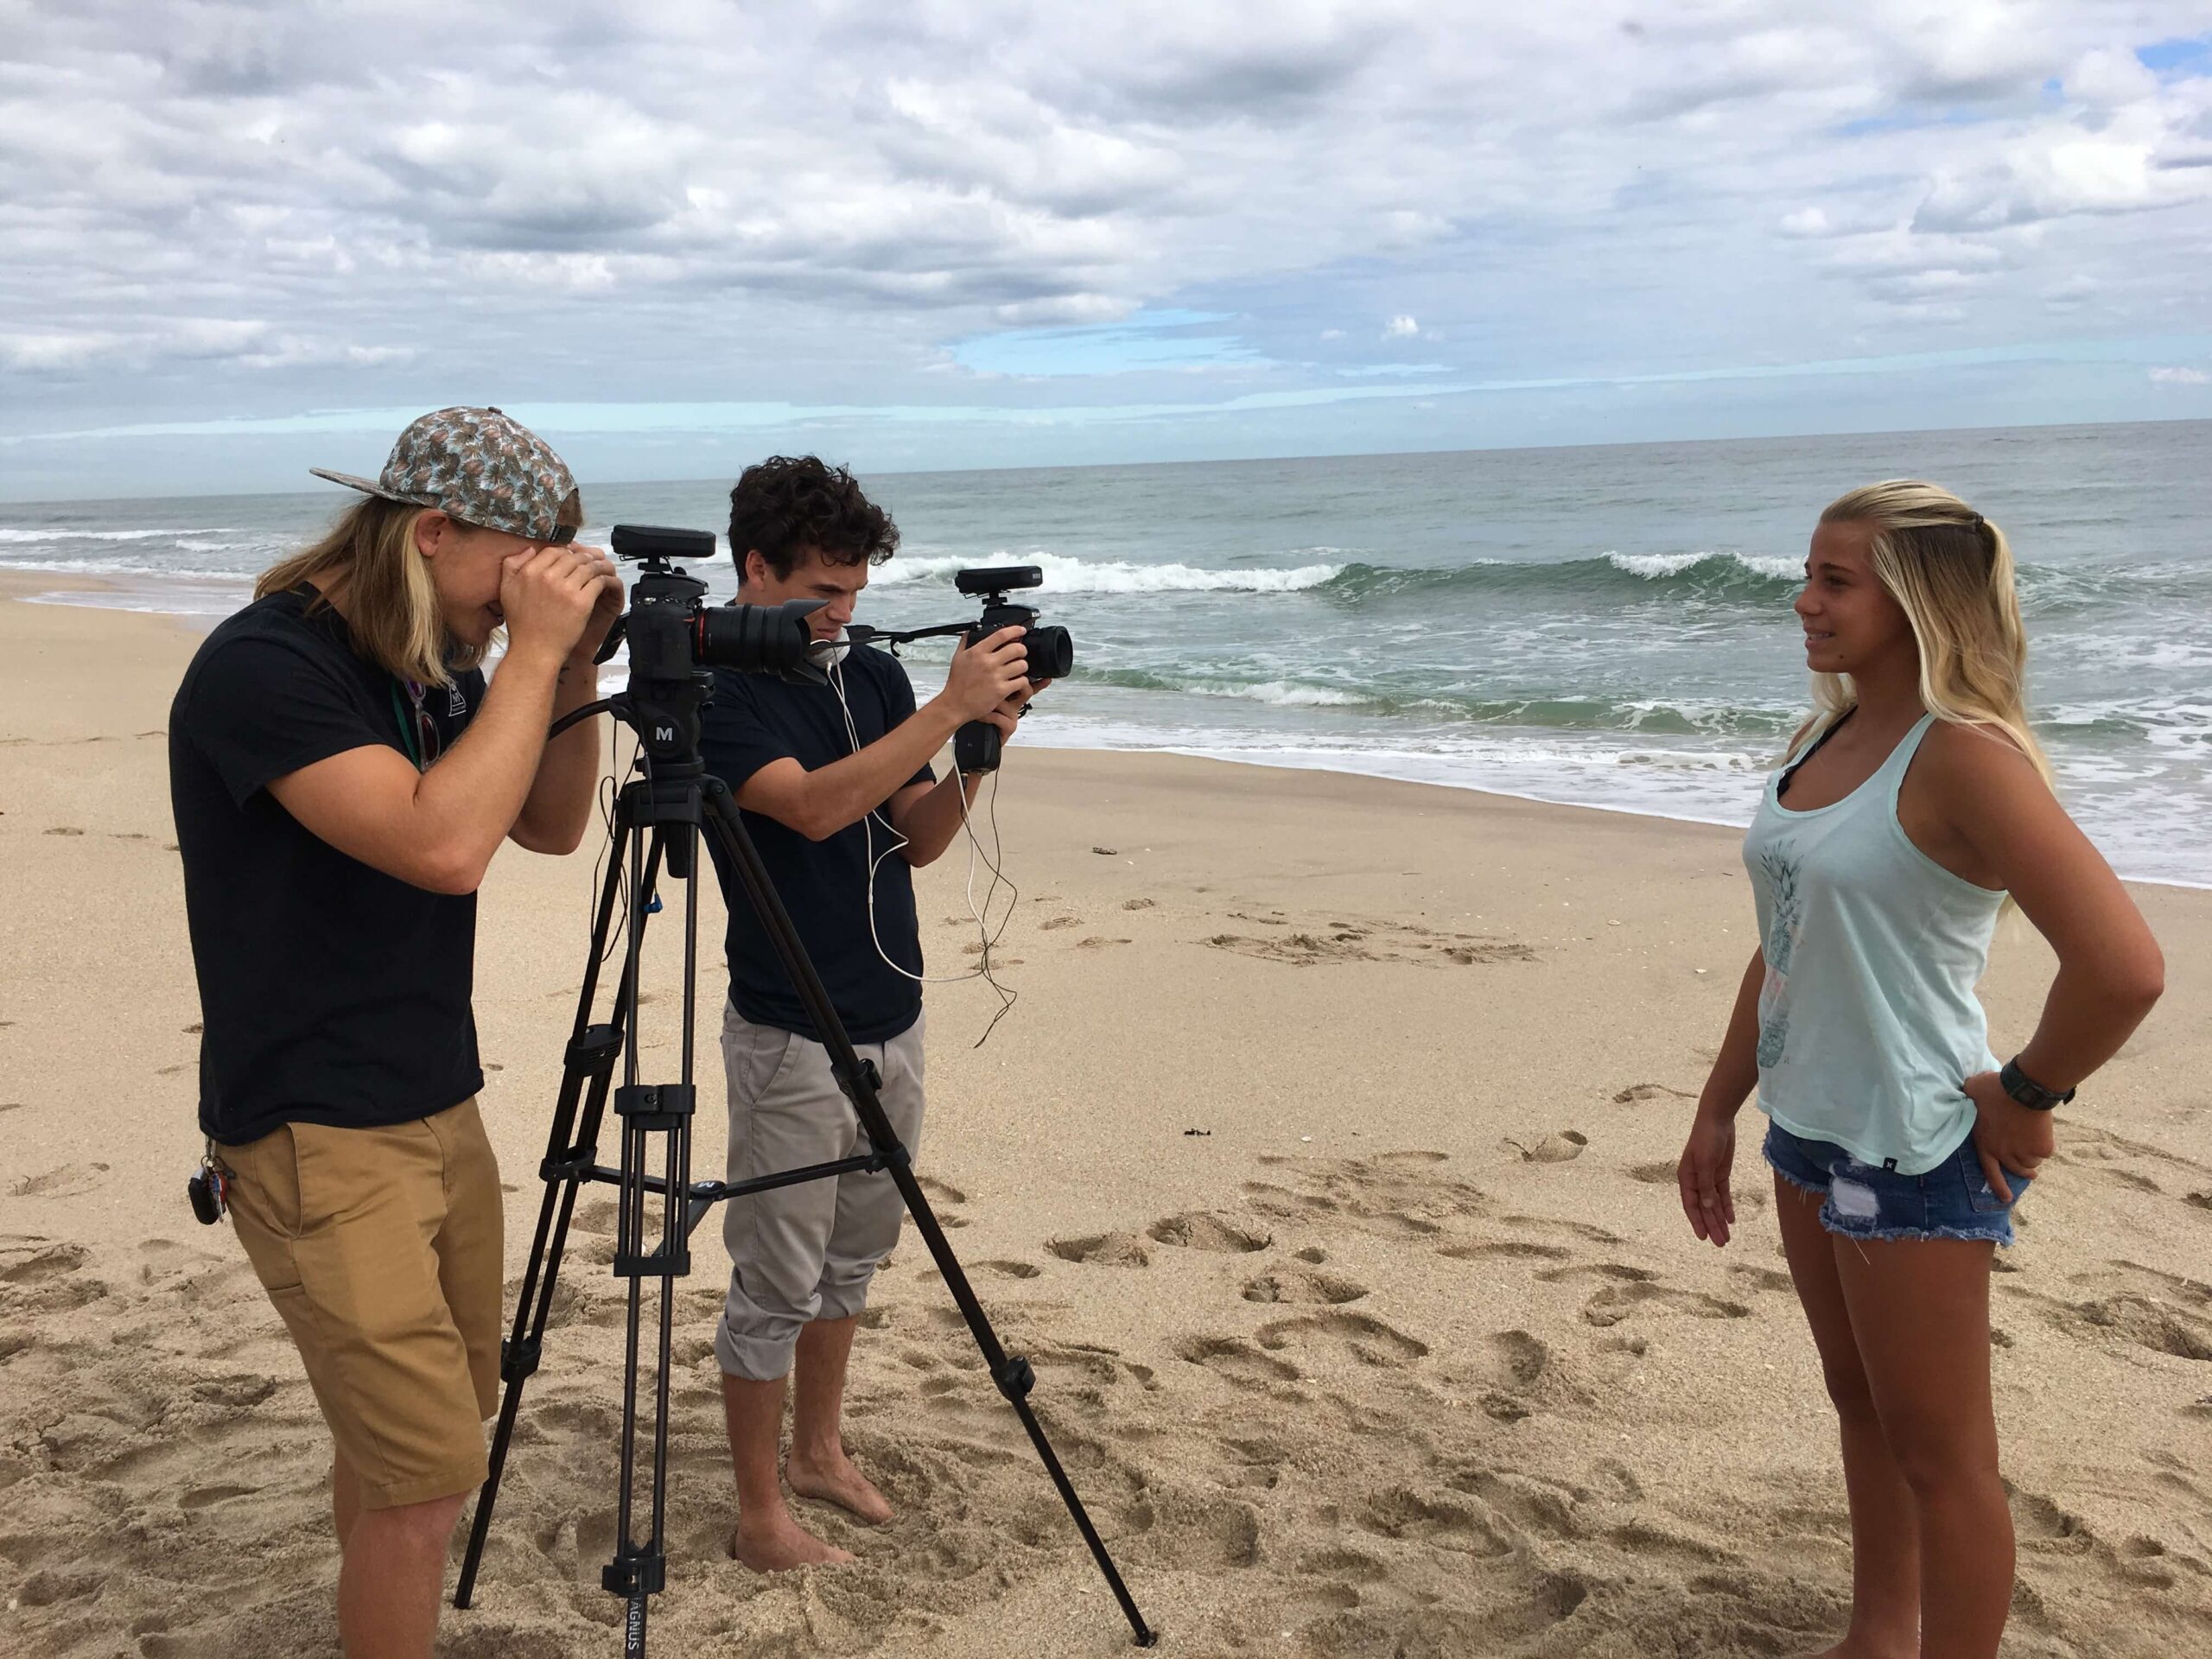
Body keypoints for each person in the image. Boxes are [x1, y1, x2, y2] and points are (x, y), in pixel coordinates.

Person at [1675, 480, 2164, 1659]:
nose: (1804, 601)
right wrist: (1718, 1109)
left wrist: (2029, 1091)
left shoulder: (1967, 759)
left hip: (1917, 1140)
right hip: (1808, 1127)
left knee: (1947, 1461)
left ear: (1915, 600)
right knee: (1861, 1405)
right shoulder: (1825, 734)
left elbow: (2124, 967)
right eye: (1811, 574)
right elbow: (1786, 938)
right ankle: (1878, 1636)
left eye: (1836, 581)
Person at [168, 407, 622, 1659]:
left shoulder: (430, 662)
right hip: (315, 1128)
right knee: (426, 1480)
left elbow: (546, 825)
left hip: (433, 1103)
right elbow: (442, 845)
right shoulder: (268, 667)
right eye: (519, 569)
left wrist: (569, 662)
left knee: (407, 1452)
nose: (520, 602)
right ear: (431, 532)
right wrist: (530, 657)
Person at [696, 455, 1041, 1571]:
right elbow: (804, 810)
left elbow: (916, 837)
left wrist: (983, 742)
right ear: (755, 568)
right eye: (821, 593)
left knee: (853, 1257)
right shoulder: (716, 686)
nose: (843, 616)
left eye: (855, 592)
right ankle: (759, 1516)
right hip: (790, 1024)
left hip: (892, 1007)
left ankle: (820, 1453)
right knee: (775, 1278)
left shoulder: (871, 678)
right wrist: (948, 699)